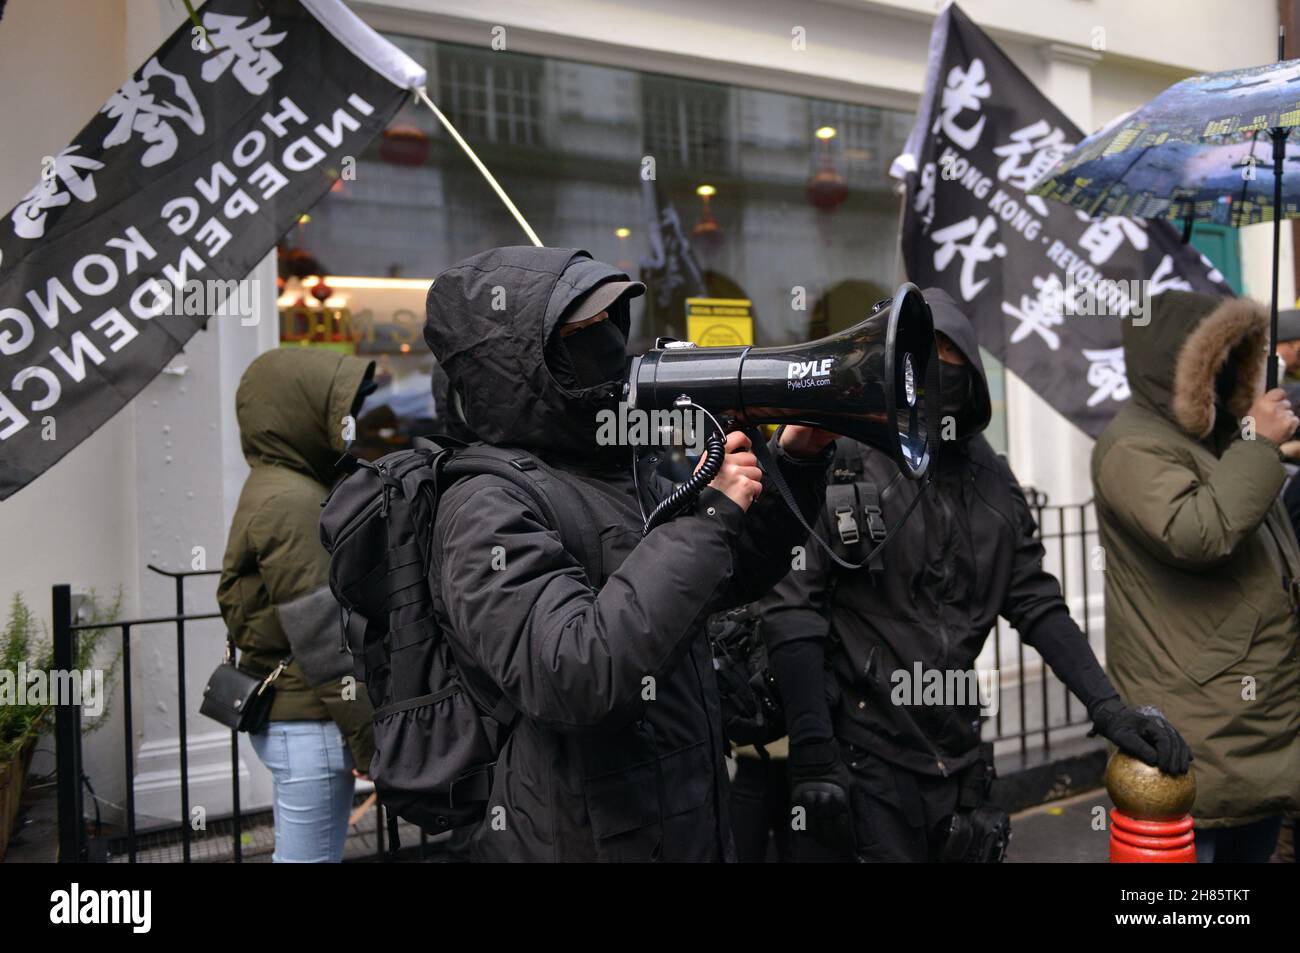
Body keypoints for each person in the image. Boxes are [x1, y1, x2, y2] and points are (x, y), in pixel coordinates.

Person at [422, 245, 834, 862]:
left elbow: (714, 582)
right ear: (519, 365)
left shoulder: (609, 469)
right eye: (582, 332)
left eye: (611, 324)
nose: (610, 344)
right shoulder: (485, 506)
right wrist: (706, 518)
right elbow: (573, 673)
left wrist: (796, 464)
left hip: (685, 819)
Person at [757, 288, 1190, 863]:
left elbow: (1036, 602)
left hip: (958, 759)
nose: (937, 379)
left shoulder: (992, 480)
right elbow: (792, 608)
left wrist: (1110, 710)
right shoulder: (844, 459)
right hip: (863, 757)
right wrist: (813, 751)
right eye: (920, 360)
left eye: (950, 360)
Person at [1093, 290, 1300, 863]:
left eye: (1242, 356)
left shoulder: (1221, 437)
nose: (1235, 373)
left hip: (1254, 720)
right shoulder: (1133, 444)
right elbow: (1197, 533)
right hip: (1197, 724)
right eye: (1220, 359)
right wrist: (1257, 445)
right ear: (1180, 367)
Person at [217, 348, 377, 863]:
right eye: (341, 410)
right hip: (310, 725)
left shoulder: (277, 486)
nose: (350, 425)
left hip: (297, 718)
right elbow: (324, 636)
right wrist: (370, 741)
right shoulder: (291, 500)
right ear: (298, 411)